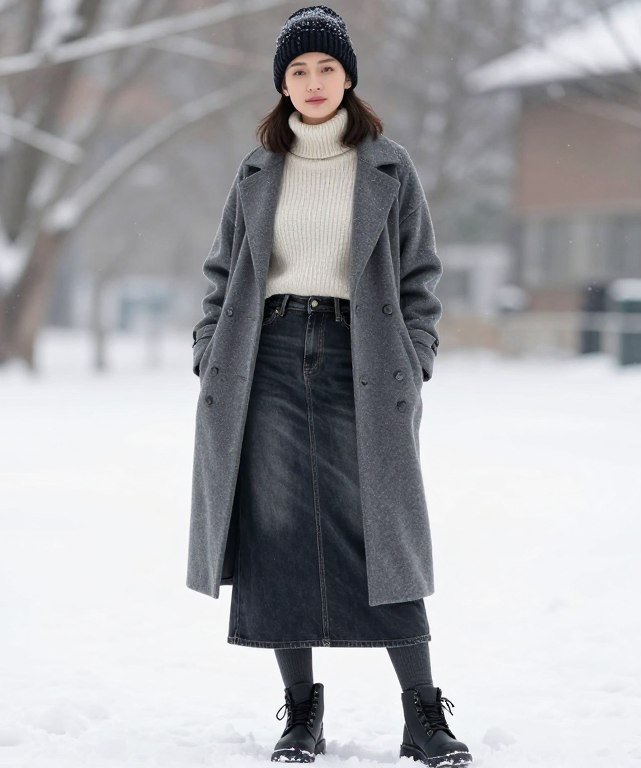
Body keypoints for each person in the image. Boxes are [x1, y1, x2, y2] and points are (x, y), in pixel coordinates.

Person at [186, 6, 472, 766]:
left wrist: (416, 356)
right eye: (298, 70)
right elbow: (221, 273)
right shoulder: (257, 170)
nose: (313, 82)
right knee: (278, 526)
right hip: (267, 355)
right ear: (282, 85)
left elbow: (420, 277)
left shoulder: (389, 167)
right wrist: (209, 350)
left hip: (362, 357)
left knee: (380, 528)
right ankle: (302, 715)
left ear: (348, 78)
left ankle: (423, 715)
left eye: (326, 68)